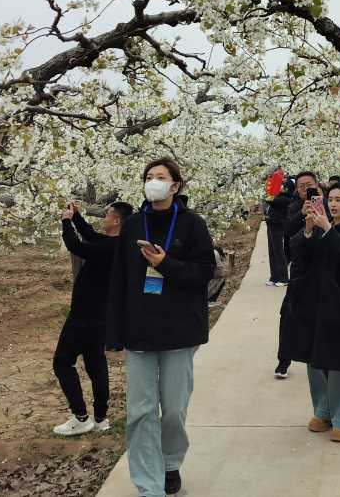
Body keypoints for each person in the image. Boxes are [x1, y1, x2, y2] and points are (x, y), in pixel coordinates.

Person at [105, 158, 216, 497]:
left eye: (161, 177)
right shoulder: (134, 225)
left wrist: (165, 264)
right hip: (140, 330)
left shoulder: (192, 225)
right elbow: (119, 279)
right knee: (140, 412)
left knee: (173, 410)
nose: (154, 182)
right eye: (149, 177)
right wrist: (114, 331)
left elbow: (204, 272)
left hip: (179, 331)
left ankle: (170, 463)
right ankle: (148, 484)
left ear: (175, 186)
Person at [279, 181, 340, 442]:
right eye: (330, 199)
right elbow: (298, 254)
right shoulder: (317, 228)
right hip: (315, 301)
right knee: (315, 356)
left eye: (339, 199)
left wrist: (328, 229)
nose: (333, 204)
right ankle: (323, 409)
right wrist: (308, 229)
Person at [52, 200, 133, 436]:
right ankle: (100, 418)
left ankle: (80, 416)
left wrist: (66, 221)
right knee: (96, 363)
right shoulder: (115, 244)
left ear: (116, 220)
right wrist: (76, 216)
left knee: (62, 362)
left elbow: (76, 245)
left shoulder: (110, 248)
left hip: (84, 316)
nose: (103, 217)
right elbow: (89, 235)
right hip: (100, 316)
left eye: (107, 214)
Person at [274, 171, 321, 379]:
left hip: (321, 267)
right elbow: (287, 231)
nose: (304, 189)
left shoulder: (326, 204)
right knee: (289, 314)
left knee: (319, 315)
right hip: (300, 269)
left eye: (308, 185)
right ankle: (284, 360)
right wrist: (302, 213)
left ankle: (318, 357)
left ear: (317, 185)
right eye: (301, 186)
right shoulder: (294, 207)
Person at [265, 175, 293, 287]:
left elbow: (269, 199)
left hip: (278, 226)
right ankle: (274, 276)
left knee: (278, 252)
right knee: (272, 252)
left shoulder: (284, 198)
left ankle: (283, 278)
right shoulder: (277, 197)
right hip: (271, 224)